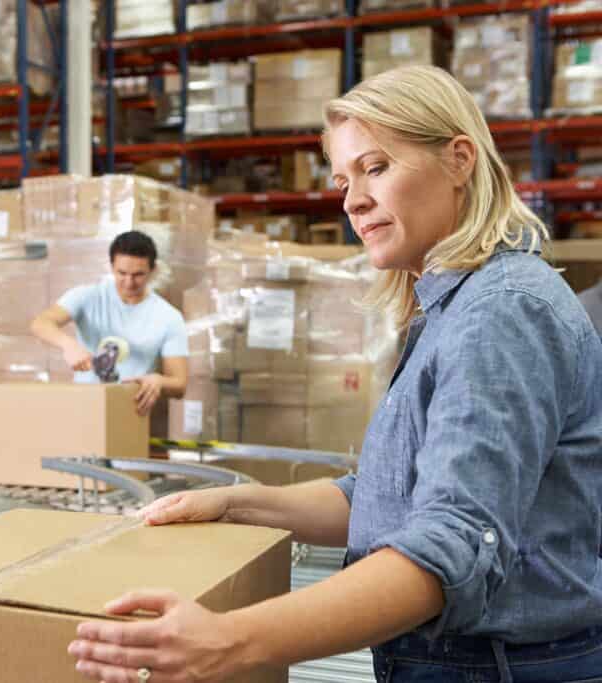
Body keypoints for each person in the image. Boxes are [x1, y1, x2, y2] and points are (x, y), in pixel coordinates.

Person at [67, 65, 602, 683]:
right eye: (344, 180)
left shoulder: (501, 313)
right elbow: (387, 497)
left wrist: (231, 640)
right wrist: (240, 502)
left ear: (459, 160)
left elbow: (450, 548)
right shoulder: (455, 307)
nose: (353, 200)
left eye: (376, 168)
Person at [30, 230, 188, 416]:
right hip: (82, 408)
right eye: (122, 273)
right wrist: (69, 345)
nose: (129, 282)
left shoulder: (168, 317)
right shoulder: (87, 296)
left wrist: (159, 381)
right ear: (112, 267)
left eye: (138, 275)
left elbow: (179, 384)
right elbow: (41, 323)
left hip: (130, 413)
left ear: (152, 271)